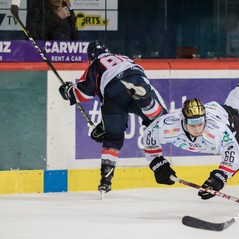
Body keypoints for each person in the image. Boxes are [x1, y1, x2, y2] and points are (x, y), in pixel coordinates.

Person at [143, 64, 239, 200]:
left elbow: (234, 156)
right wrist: (157, 163)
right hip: (217, 112)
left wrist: (218, 178)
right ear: (183, 120)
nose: (197, 129)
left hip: (230, 122)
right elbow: (149, 135)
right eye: (192, 125)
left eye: (200, 124)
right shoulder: (168, 125)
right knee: (233, 106)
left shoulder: (218, 131)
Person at [58, 40, 168, 194]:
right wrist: (103, 125)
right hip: (137, 81)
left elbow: (83, 92)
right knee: (160, 119)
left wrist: (68, 90)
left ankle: (105, 180)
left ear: (90, 57)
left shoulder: (96, 63)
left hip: (113, 94)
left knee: (113, 138)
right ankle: (146, 101)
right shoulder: (125, 58)